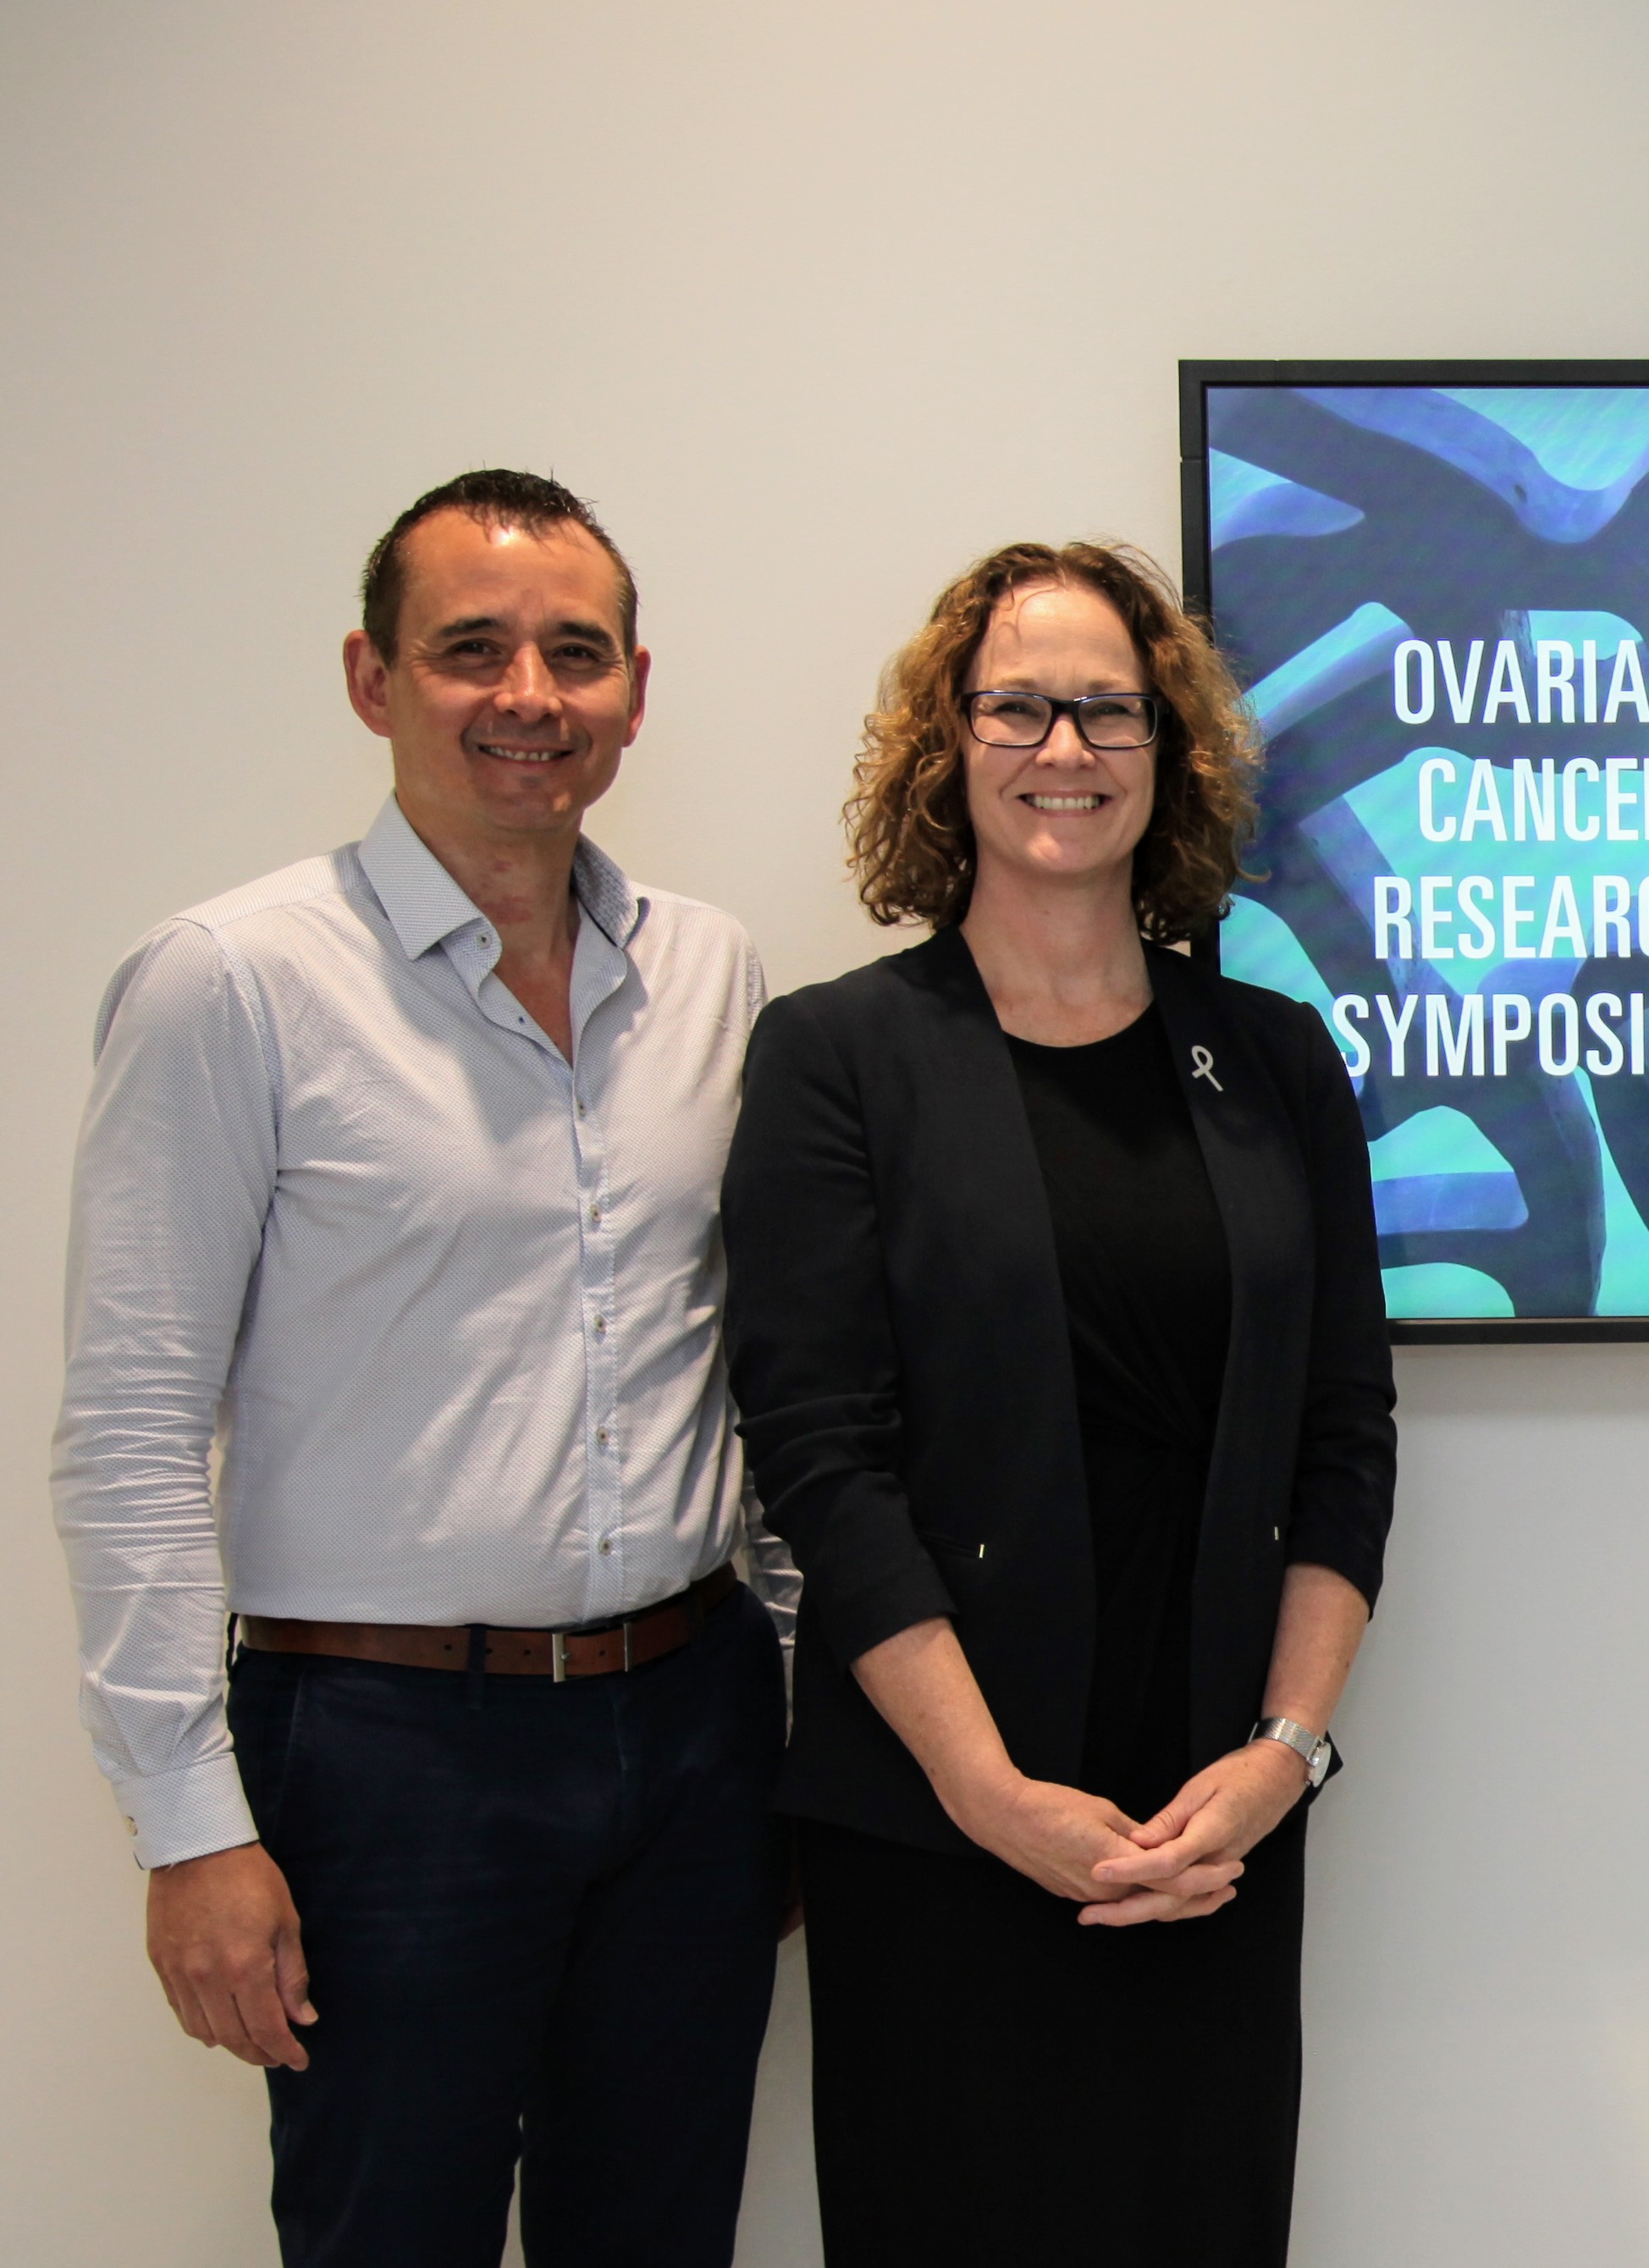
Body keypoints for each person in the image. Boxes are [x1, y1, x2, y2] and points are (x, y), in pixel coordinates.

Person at [51, 470, 788, 2264]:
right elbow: (130, 1431)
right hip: (385, 1756)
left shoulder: (712, 972)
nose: (526, 694)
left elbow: (756, 1363)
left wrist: (777, 1681)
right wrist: (186, 1829)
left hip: (690, 1729)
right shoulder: (230, 980)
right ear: (371, 679)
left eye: (574, 652)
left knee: (664, 2233)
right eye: (470, 648)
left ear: (633, 688)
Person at [725, 538, 1396, 2265]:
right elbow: (822, 1457)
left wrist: (1282, 1758)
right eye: (1017, 704)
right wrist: (989, 1790)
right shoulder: (837, 1058)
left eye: (1108, 708)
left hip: (1204, 1826)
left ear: (1167, 754)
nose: (1064, 746)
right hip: (942, 1820)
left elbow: (1343, 1434)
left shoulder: (1272, 1061)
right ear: (947, 741)